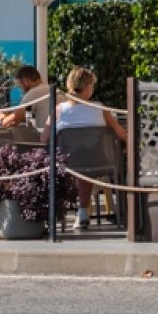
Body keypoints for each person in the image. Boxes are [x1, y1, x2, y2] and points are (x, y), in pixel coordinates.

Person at [51, 66, 126, 230]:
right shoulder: (100, 109)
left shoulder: (58, 110)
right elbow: (121, 133)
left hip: (66, 163)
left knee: (76, 162)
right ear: (87, 88)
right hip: (98, 162)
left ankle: (62, 213)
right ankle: (84, 211)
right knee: (85, 163)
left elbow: (44, 138)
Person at [0, 65, 46, 129]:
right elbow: (27, 116)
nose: (21, 90)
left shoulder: (33, 93)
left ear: (26, 81)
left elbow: (9, 122)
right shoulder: (50, 89)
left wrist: (1, 116)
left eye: (20, 86)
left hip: (48, 136)